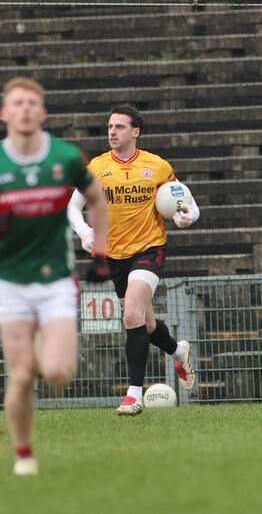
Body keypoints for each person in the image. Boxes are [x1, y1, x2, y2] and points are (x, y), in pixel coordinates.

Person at [0, 77, 111, 476]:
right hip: (11, 283)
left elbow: (97, 199)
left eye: (31, 103)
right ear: (4, 113)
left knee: (59, 374)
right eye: (17, 103)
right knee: (23, 374)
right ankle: (24, 454)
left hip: (56, 280)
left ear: (42, 113)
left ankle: (47, 338)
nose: (24, 109)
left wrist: (101, 250)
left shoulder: (65, 157)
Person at [68, 105, 199, 416]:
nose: (112, 132)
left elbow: (190, 207)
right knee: (147, 323)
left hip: (149, 248)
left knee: (130, 317)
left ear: (135, 132)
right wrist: (85, 231)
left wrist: (186, 218)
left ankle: (133, 395)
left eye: (120, 127)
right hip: (115, 254)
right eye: (110, 126)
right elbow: (72, 207)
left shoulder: (158, 166)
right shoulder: (96, 168)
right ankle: (178, 352)